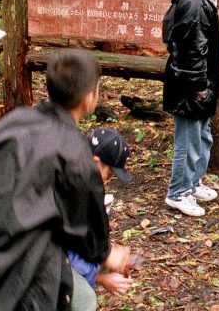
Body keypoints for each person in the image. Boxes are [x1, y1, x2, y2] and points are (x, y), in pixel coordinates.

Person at [0, 49, 130, 310]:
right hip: (3, 276)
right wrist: (107, 254)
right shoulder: (75, 155)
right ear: (89, 98)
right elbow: (88, 235)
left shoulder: (16, 120)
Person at [163, 0, 219, 217]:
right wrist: (200, 87)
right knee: (188, 143)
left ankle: (194, 182)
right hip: (191, 85)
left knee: (202, 137)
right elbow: (191, 51)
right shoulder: (194, 3)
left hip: (199, 84)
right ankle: (179, 192)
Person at [68, 127, 135, 309]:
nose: (109, 179)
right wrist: (100, 277)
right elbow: (64, 250)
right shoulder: (72, 190)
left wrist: (107, 256)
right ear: (96, 162)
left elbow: (86, 240)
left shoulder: (79, 177)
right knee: (85, 301)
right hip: (33, 261)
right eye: (109, 173)